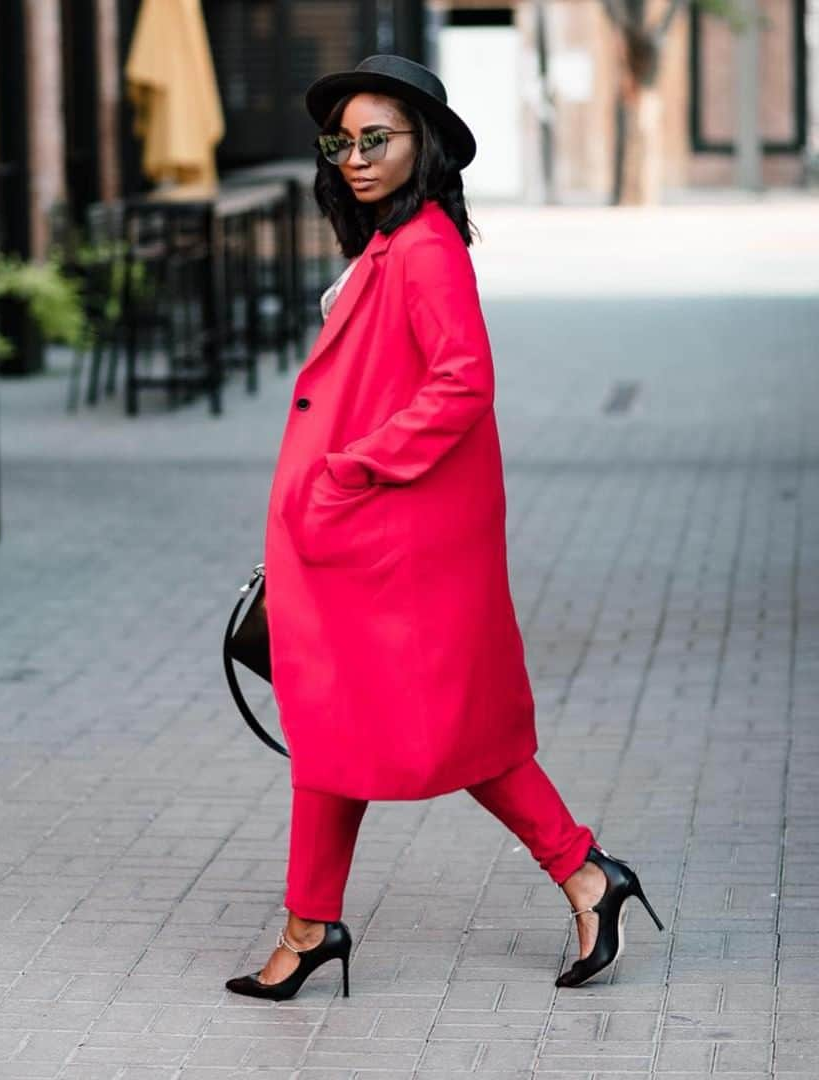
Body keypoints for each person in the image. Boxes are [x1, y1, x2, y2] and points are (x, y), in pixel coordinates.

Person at [225, 55, 664, 1002]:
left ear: (422, 144)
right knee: (343, 728)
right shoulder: (389, 242)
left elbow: (462, 382)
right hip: (360, 539)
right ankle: (316, 925)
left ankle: (582, 872)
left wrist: (349, 470)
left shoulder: (424, 245)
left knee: (433, 729)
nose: (354, 156)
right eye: (339, 142)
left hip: (390, 542)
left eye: (374, 138)